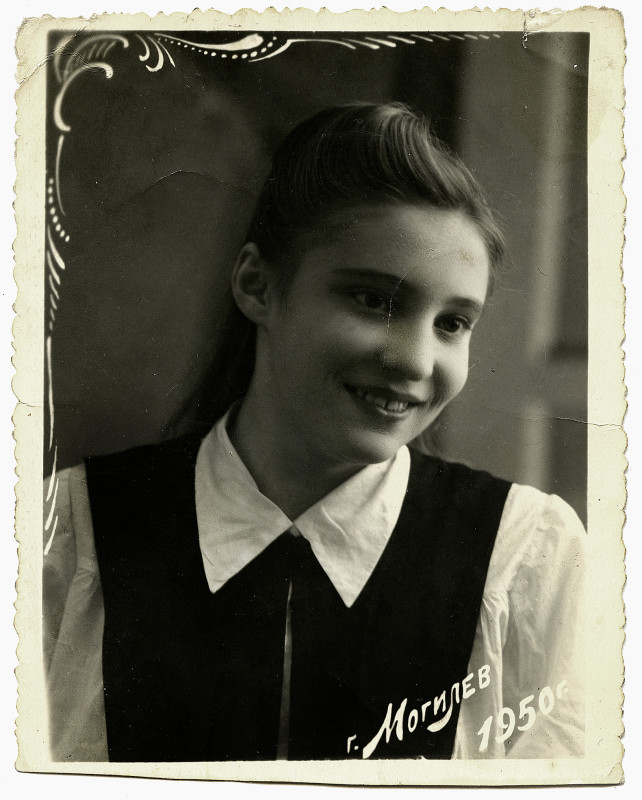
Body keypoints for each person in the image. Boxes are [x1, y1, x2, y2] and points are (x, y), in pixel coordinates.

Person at [43, 102, 585, 763]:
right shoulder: (72, 532)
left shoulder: (524, 558)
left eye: (452, 323)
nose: (416, 362)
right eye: (373, 300)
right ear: (257, 285)